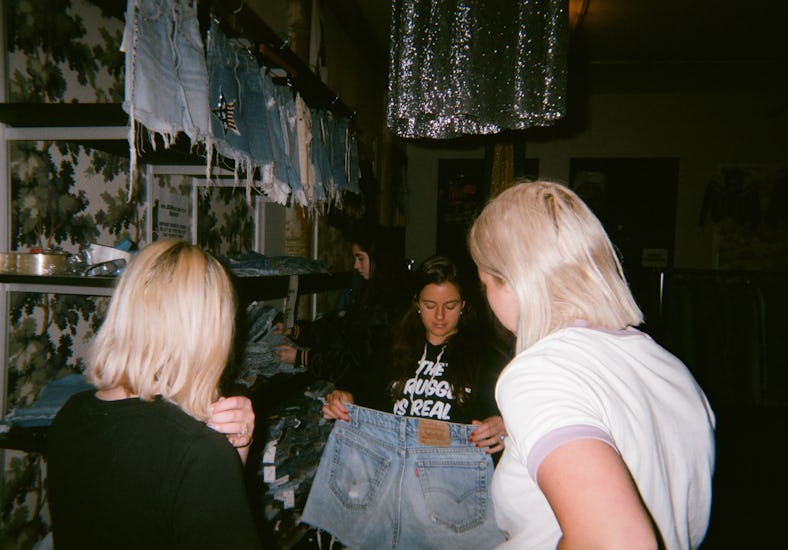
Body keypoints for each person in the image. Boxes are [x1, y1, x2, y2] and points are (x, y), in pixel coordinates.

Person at [468, 180, 716, 549]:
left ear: (513, 282)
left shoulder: (540, 372)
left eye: (485, 281)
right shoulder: (669, 368)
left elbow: (619, 542)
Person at [46, 240, 261, 549]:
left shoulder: (72, 414)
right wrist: (220, 457)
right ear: (209, 331)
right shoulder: (197, 450)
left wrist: (233, 451)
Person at [321, 254, 508, 454]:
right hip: (393, 464)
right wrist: (346, 399)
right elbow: (363, 390)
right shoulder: (392, 348)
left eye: (450, 306)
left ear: (463, 305)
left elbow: (513, 412)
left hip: (452, 473)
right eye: (430, 305)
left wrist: (504, 424)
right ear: (417, 303)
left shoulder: (486, 356)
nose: (439, 316)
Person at [274, 222, 407, 405]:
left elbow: (352, 362)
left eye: (360, 259)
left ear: (378, 259)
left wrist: (301, 357)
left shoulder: (387, 307)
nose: (355, 265)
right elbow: (338, 326)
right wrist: (297, 330)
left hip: (372, 398)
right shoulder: (371, 293)